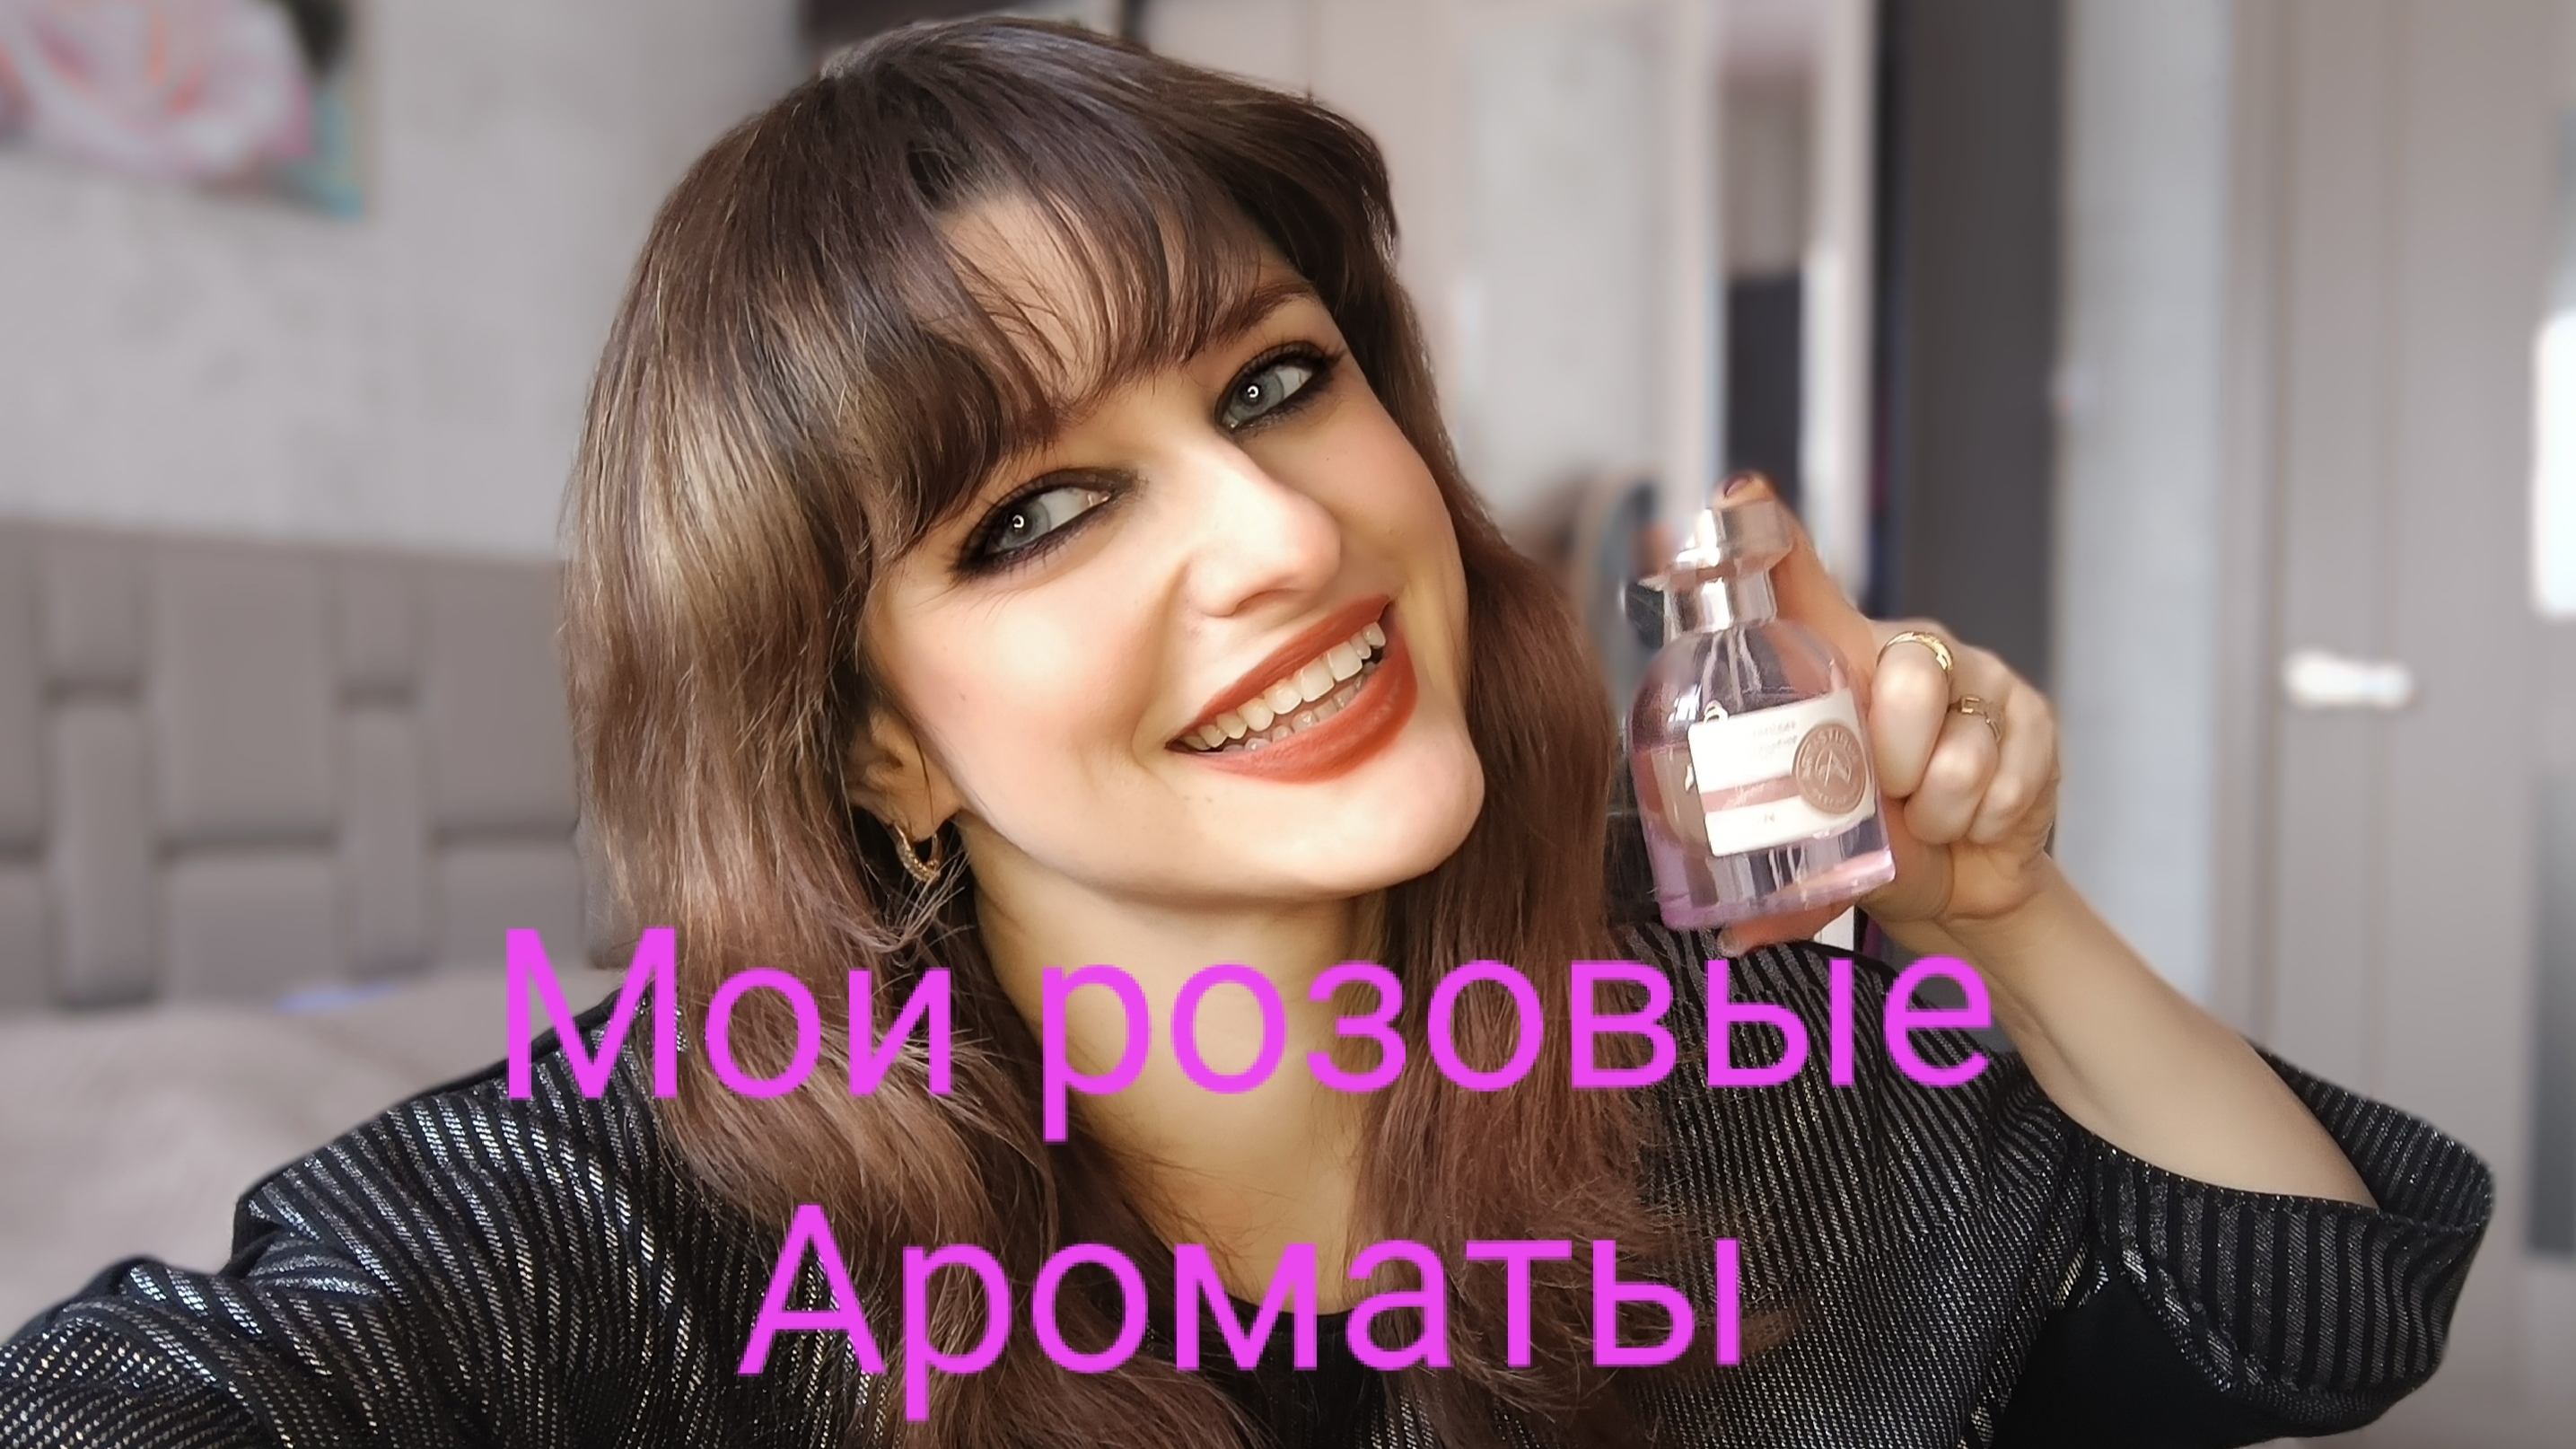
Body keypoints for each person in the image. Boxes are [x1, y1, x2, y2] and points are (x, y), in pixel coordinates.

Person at [0, 18, 2491, 1449]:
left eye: (1277, 384)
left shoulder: (1707, 1032)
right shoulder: (676, 1207)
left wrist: (1995, 907)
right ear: (877, 754)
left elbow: (2314, 1313)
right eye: (1038, 516)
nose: (1283, 535)